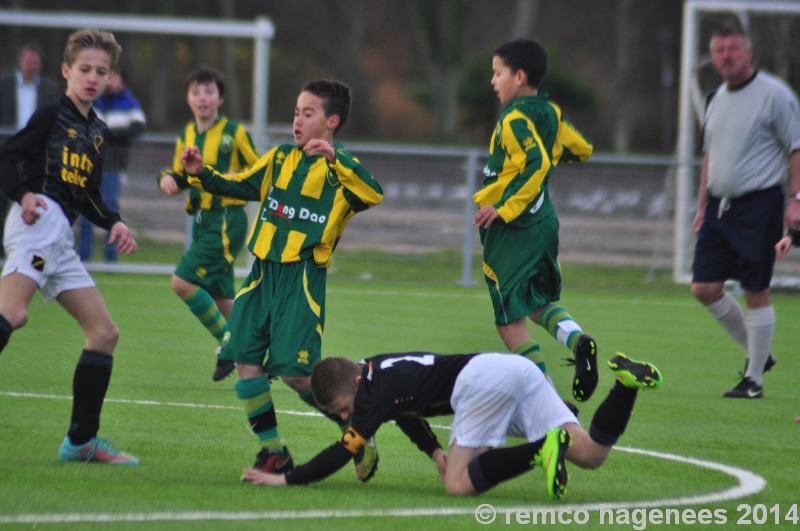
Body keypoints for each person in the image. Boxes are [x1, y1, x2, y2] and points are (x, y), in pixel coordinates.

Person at [181, 79, 383, 478]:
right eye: (296, 112)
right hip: (261, 275)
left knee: (296, 374)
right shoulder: (279, 159)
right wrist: (202, 173)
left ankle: (355, 428)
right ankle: (273, 450)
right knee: (245, 362)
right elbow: (240, 183)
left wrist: (337, 158)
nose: (298, 120)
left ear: (332, 121)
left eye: (308, 114)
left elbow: (373, 193)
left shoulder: (339, 171)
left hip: (301, 280)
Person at [241, 351, 662, 500]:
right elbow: (406, 414)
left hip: (480, 384)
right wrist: (434, 451)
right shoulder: (376, 374)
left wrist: (289, 482)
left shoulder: (369, 393)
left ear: (354, 385)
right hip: (512, 371)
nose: (348, 417)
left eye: (345, 409)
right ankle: (625, 386)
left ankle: (541, 449)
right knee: (590, 453)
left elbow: (345, 449)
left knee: (459, 485)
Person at [0, 29, 139, 464]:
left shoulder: (96, 130)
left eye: (102, 71)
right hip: (38, 224)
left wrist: (114, 222)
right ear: (66, 71)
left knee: (104, 334)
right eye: (85, 69)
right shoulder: (51, 114)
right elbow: (7, 156)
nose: (93, 78)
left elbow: (90, 195)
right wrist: (23, 195)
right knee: (13, 314)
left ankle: (79, 443)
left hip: (60, 240)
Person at [472, 38, 597, 405]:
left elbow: (537, 163)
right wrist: (549, 155)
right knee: (537, 300)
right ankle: (577, 340)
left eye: (498, 74)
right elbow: (583, 148)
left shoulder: (513, 118)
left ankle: (549, 405)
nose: (493, 81)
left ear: (520, 76)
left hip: (513, 228)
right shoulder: (551, 113)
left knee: (509, 322)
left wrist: (503, 208)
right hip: (544, 221)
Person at [691, 24, 800, 399]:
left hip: (760, 204)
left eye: (733, 50)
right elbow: (710, 155)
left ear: (748, 53)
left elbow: (797, 148)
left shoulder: (774, 95)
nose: (726, 56)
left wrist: (797, 199)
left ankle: (753, 380)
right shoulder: (715, 98)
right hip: (719, 208)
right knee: (703, 287)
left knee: (756, 289)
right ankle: (760, 354)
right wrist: (701, 203)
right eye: (720, 50)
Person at [158, 67, 259, 380]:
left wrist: (233, 179)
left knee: (182, 282)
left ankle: (229, 346)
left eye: (209, 91)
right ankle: (255, 356)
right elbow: (179, 172)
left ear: (221, 98)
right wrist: (167, 180)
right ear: (188, 99)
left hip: (227, 219)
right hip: (202, 220)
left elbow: (259, 171)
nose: (202, 98)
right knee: (220, 298)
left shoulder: (234, 133)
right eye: (196, 92)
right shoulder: (187, 135)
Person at [78, 70, 146, 263]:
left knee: (110, 210)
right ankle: (83, 257)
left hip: (113, 166)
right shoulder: (95, 100)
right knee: (86, 211)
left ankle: (110, 259)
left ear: (122, 81)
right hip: (90, 165)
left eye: (114, 77)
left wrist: (109, 135)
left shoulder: (128, 102)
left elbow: (138, 127)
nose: (110, 81)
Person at [0, 43, 60, 256]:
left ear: (40, 65)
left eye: (35, 62)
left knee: (31, 197)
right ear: (20, 62)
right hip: (7, 148)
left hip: (35, 152)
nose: (31, 66)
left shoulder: (49, 88)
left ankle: (27, 249)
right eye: (28, 62)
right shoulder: (4, 84)